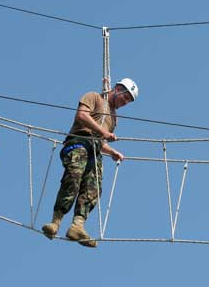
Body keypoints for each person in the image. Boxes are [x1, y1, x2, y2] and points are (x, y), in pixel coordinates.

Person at [41, 78, 139, 247]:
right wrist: (103, 132)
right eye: (125, 98)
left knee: (93, 188)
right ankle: (55, 222)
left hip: (94, 150)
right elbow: (81, 116)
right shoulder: (93, 97)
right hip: (79, 143)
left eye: (128, 102)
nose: (125, 103)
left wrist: (112, 151)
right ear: (117, 89)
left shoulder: (113, 119)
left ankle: (77, 225)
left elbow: (101, 142)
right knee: (74, 176)